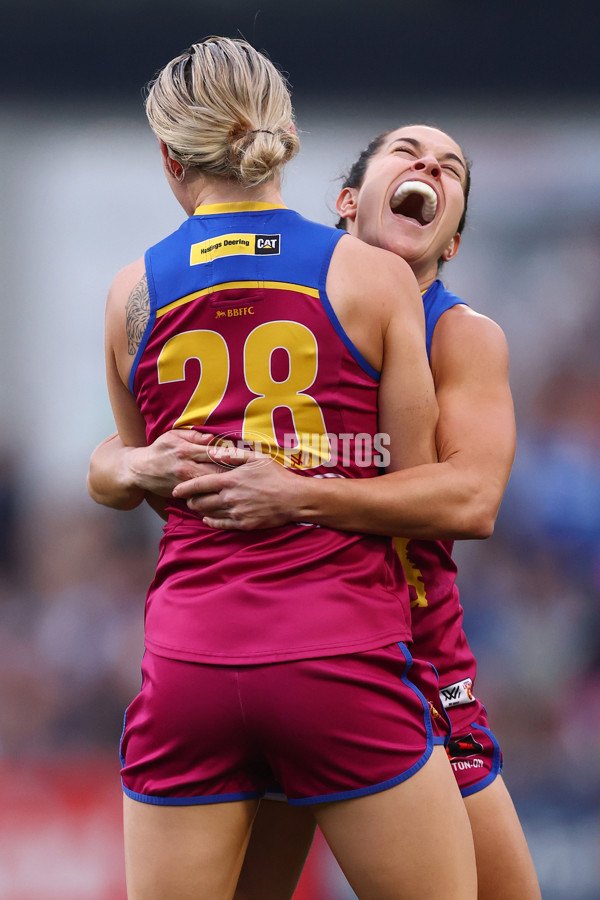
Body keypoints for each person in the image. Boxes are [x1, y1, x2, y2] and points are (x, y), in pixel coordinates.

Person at [90, 123, 541, 900]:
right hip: (301, 651)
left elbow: (470, 498)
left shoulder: (460, 336)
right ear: (343, 203)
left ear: (455, 244)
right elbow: (129, 446)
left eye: (453, 167)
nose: (429, 163)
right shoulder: (309, 300)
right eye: (404, 151)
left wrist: (299, 494)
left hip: (419, 660)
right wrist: (129, 462)